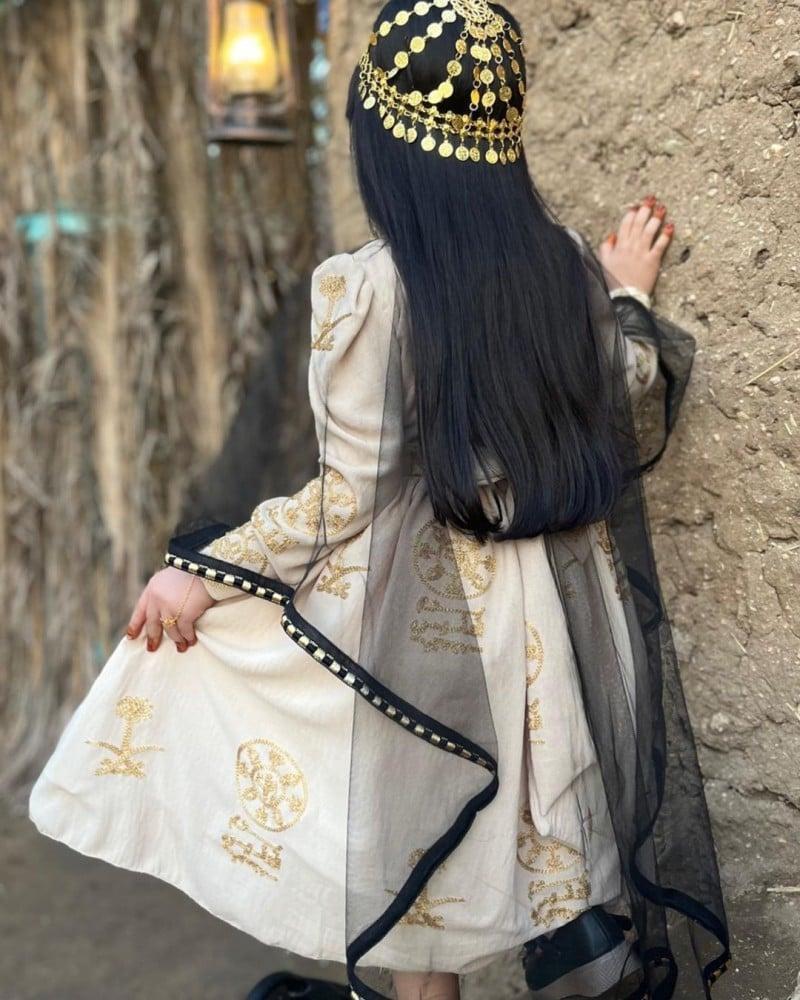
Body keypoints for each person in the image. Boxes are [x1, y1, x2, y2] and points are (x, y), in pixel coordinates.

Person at [29, 2, 730, 999]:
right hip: (559, 623)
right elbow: (624, 386)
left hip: (427, 634)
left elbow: (347, 496)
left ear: (387, 149)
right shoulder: (567, 268)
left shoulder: (364, 289)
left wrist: (204, 572)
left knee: (413, 878)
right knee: (558, 855)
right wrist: (626, 294)